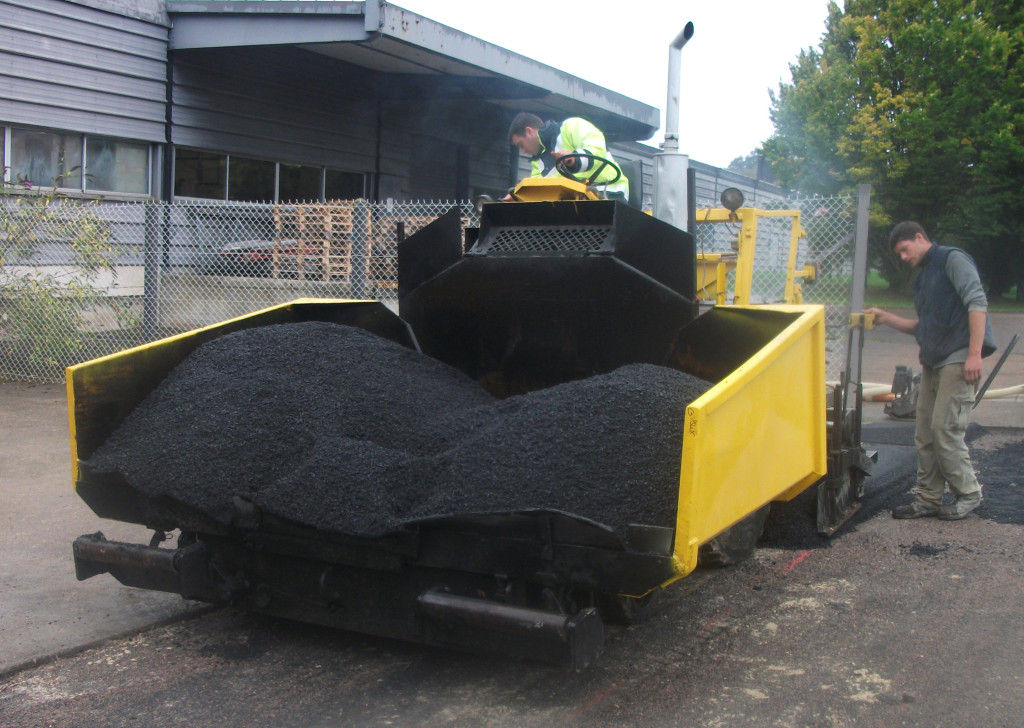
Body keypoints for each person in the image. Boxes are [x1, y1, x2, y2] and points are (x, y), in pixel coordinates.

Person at [866, 221, 997, 520]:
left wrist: (974, 355)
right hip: (933, 361)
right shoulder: (924, 277)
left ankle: (969, 494)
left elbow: (977, 302)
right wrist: (886, 318)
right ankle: (928, 498)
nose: (903, 257)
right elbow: (922, 327)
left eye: (904, 249)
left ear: (919, 237)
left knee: (945, 429)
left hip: (958, 358)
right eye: (898, 254)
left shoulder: (952, 259)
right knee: (925, 432)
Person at [505, 112, 628, 201]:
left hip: (609, 193)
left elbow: (598, 149)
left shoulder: (572, 126)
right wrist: (518, 197)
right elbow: (538, 192)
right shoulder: (538, 164)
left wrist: (575, 160)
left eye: (521, 144)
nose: (523, 151)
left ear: (529, 131)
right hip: (577, 203)